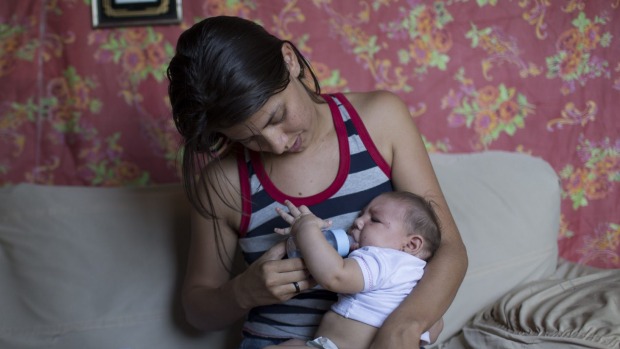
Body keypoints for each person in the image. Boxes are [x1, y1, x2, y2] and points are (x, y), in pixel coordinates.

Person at [166, 15, 467, 349]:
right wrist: (242, 291)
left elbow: (449, 249)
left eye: (277, 117)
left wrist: (402, 329)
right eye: (249, 139)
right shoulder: (222, 183)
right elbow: (198, 310)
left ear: (289, 61)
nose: (277, 144)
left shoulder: (381, 120)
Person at [264, 191, 444, 349]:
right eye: (361, 215)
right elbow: (434, 328)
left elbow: (335, 275)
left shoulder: (383, 258)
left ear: (411, 244)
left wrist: (307, 229)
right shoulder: (416, 277)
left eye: (374, 220)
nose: (358, 221)